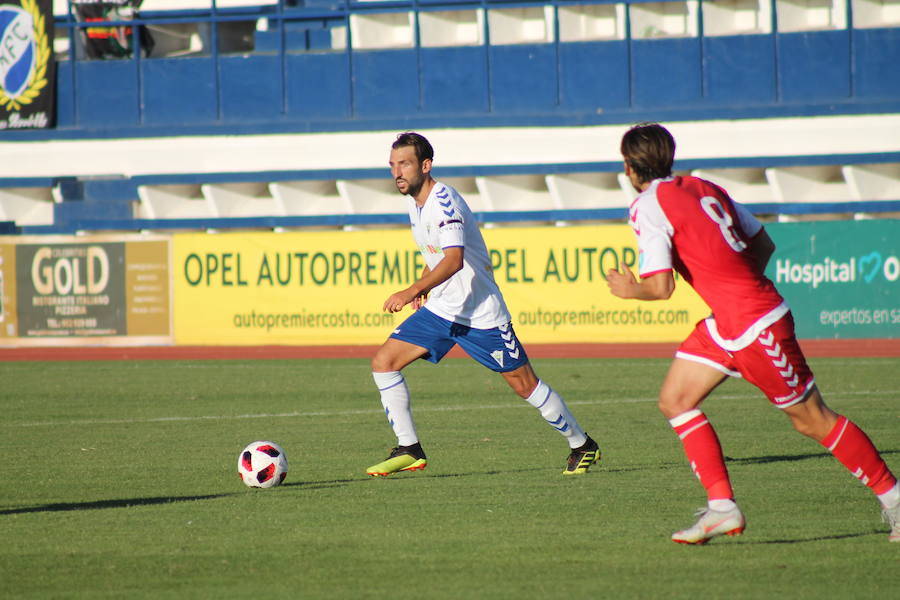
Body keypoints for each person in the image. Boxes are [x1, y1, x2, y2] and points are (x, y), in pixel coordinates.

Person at [606, 122, 900, 544]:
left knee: (813, 419)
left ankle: (894, 500)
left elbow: (661, 287)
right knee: (676, 400)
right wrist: (737, 291)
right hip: (731, 323)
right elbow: (763, 243)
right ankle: (722, 508)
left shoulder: (648, 206)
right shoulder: (704, 187)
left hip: (754, 325)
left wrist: (628, 289)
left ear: (631, 167)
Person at [367, 132, 600, 477]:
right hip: (444, 310)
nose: (397, 172)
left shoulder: (444, 200)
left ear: (426, 165)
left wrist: (409, 289)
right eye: (392, 165)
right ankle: (409, 447)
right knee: (384, 362)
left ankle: (582, 445)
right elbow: (435, 255)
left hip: (481, 315)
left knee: (525, 386)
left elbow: (455, 260)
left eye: (404, 164)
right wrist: (424, 288)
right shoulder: (414, 203)